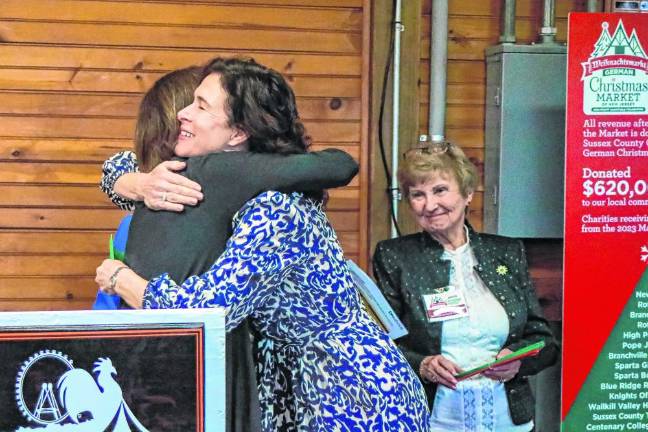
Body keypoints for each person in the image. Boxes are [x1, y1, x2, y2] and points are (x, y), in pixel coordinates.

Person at [96, 57, 431, 431]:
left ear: (238, 133)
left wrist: (119, 278)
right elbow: (117, 167)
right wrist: (136, 183)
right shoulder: (224, 185)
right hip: (295, 382)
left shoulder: (275, 210)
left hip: (349, 390)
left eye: (201, 105)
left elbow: (205, 312)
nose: (183, 114)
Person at [372, 142, 558, 431]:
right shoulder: (396, 258)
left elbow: (545, 342)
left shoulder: (507, 253)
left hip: (509, 421)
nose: (430, 205)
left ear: (468, 193)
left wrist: (517, 361)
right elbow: (379, 344)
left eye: (440, 190)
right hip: (435, 419)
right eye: (417, 195)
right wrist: (422, 365)